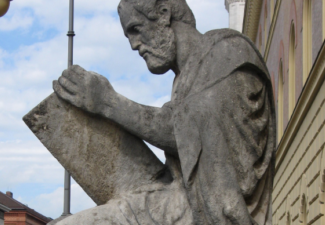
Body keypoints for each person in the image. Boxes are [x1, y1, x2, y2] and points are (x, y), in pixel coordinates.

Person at [53, 0, 276, 224]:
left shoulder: (228, 53)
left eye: (135, 29)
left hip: (206, 211)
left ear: (163, 14)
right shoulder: (184, 81)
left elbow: (183, 131)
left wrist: (107, 102)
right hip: (178, 201)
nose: (133, 45)